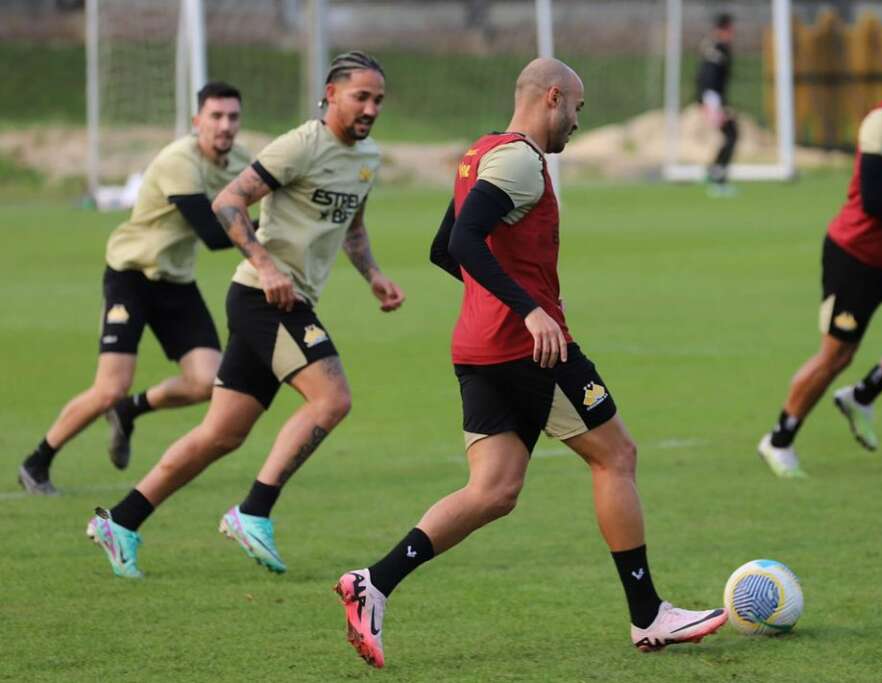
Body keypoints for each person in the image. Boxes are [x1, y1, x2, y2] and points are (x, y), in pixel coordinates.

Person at [334, 57, 726, 669]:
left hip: (478, 348)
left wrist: (500, 301)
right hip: (532, 350)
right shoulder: (519, 160)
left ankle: (373, 583)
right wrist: (528, 310)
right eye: (577, 109)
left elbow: (444, 248)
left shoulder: (479, 154)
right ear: (553, 97)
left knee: (492, 491)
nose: (576, 122)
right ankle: (649, 615)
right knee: (617, 456)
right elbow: (462, 243)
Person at [87, 51, 405, 578]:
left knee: (221, 434)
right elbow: (228, 203)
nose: (370, 107)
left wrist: (373, 275)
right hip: (266, 298)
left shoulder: (366, 157)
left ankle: (120, 521)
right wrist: (266, 264)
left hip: (283, 300)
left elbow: (352, 227)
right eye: (361, 96)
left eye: (378, 100)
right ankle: (253, 510)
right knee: (333, 398)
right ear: (330, 94)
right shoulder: (302, 144)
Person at [17, 82, 248, 495]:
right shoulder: (180, 160)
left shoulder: (239, 163)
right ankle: (38, 461)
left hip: (176, 281)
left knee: (206, 381)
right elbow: (214, 235)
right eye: (215, 116)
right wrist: (267, 233)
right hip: (132, 275)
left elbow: (276, 189)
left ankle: (131, 410)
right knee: (109, 387)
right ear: (197, 121)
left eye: (232, 116)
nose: (224, 125)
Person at [757, 36, 882, 478]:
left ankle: (862, 397)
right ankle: (778, 440)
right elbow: (874, 201)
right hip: (855, 256)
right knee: (835, 357)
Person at [696, 13, 738, 196]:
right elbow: (708, 78)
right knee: (731, 134)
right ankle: (717, 180)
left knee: (731, 134)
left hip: (714, 98)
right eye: (730, 29)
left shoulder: (716, 48)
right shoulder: (717, 50)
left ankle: (713, 172)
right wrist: (712, 104)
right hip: (712, 99)